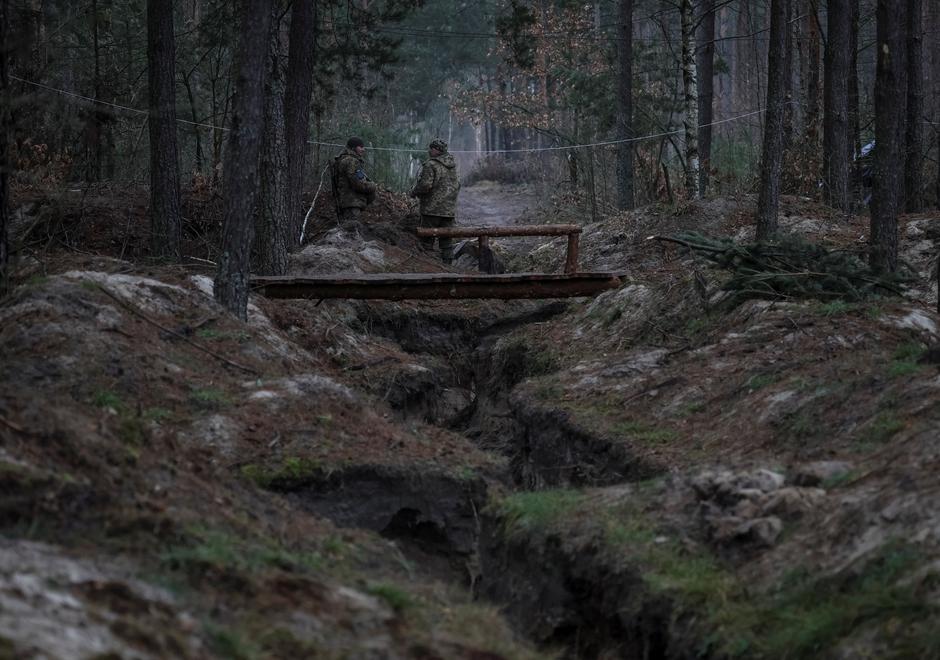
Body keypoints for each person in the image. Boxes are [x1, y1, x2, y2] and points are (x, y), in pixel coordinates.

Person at [410, 139, 460, 264]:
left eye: (431, 148)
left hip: (431, 210)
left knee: (427, 240)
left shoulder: (431, 165)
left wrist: (414, 192)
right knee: (446, 242)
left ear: (437, 150)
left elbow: (425, 185)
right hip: (448, 210)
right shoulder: (452, 165)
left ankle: (427, 267)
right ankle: (448, 267)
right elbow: (458, 184)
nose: (429, 150)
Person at [331, 137, 377, 232]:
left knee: (346, 232)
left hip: (346, 201)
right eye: (361, 147)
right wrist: (372, 186)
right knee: (351, 234)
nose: (363, 149)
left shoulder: (342, 159)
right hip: (352, 202)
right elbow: (358, 184)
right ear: (353, 148)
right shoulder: (352, 161)